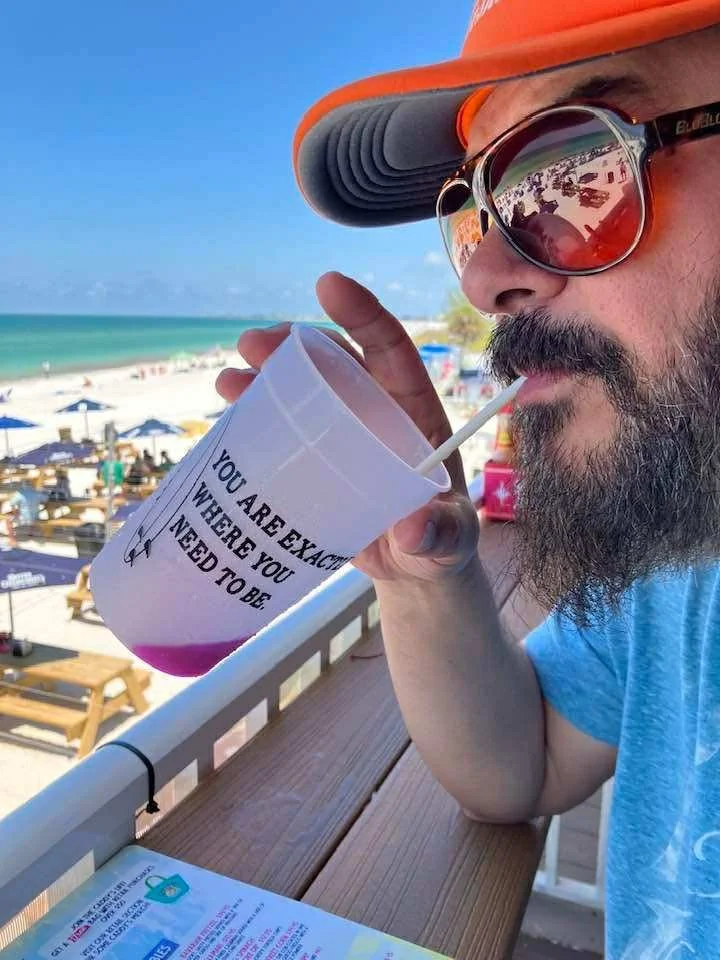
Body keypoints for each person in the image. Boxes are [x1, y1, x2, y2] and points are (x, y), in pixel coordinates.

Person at [217, 4, 720, 957]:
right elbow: (519, 768)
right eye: (478, 212)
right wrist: (419, 579)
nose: (487, 274)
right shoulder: (687, 546)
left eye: (573, 170)